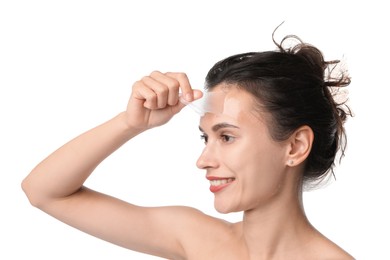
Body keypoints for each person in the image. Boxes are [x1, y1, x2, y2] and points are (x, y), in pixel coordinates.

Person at [22, 31, 354, 259]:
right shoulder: (194, 238)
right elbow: (43, 191)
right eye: (205, 137)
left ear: (295, 146)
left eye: (226, 136)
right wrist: (130, 123)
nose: (204, 160)